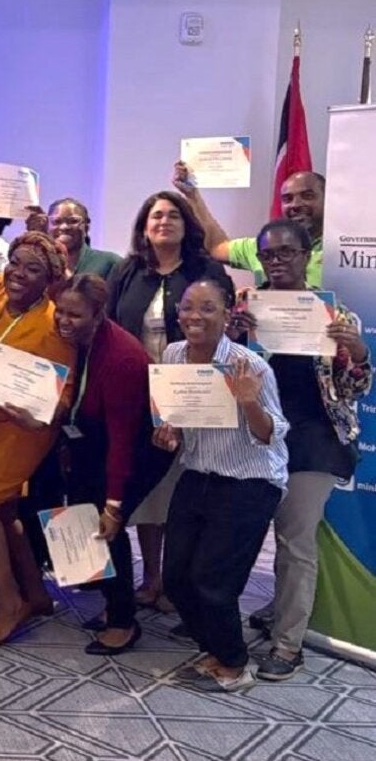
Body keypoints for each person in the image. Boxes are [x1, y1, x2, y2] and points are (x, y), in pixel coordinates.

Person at [229, 219, 371, 681]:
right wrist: (232, 337)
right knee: (245, 533)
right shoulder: (246, 306)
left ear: (306, 256)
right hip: (256, 434)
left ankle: (288, 645)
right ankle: (260, 611)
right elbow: (226, 372)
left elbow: (355, 389)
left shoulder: (334, 314)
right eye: (268, 254)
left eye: (287, 252)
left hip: (312, 439)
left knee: (294, 541)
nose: (277, 261)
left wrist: (357, 353)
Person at [154, 279, 288, 693]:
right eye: (188, 307)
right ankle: (213, 649)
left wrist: (248, 400)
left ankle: (234, 665)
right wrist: (170, 431)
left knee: (212, 581)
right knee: (175, 578)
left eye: (207, 308)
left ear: (227, 315)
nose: (195, 316)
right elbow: (177, 415)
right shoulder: (173, 354)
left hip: (250, 481)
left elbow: (272, 434)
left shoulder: (250, 366)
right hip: (199, 472)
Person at [106, 191, 234, 612]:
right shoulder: (127, 271)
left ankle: (180, 582)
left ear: (186, 224)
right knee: (151, 492)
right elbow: (108, 325)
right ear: (145, 227)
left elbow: (226, 325)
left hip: (194, 394)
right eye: (156, 215)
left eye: (173, 215)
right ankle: (152, 577)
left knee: (185, 489)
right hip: (138, 396)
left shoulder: (206, 270)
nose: (164, 221)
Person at [0, 232, 75, 646]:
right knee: (4, 508)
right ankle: (36, 593)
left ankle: (8, 601)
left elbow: (64, 395)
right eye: (15, 262)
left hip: (25, 427)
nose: (18, 273)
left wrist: (40, 414)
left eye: (33, 269)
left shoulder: (53, 323)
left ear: (49, 280)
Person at [51, 274, 155, 655]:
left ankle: (123, 623)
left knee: (108, 527)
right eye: (60, 311)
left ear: (98, 315)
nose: (63, 320)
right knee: (82, 513)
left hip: (138, 447)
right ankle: (112, 602)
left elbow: (123, 440)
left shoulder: (122, 357)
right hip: (95, 437)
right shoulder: (78, 341)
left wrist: (114, 504)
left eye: (74, 315)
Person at [174, 164, 325, 286]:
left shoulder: (338, 254)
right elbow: (216, 247)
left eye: (307, 196)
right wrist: (192, 195)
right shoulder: (262, 247)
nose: (296, 205)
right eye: (287, 199)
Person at [28, 198, 123, 279]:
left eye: (73, 221)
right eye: (56, 221)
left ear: (87, 226)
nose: (64, 227)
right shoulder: (41, 264)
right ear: (47, 227)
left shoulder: (110, 263)